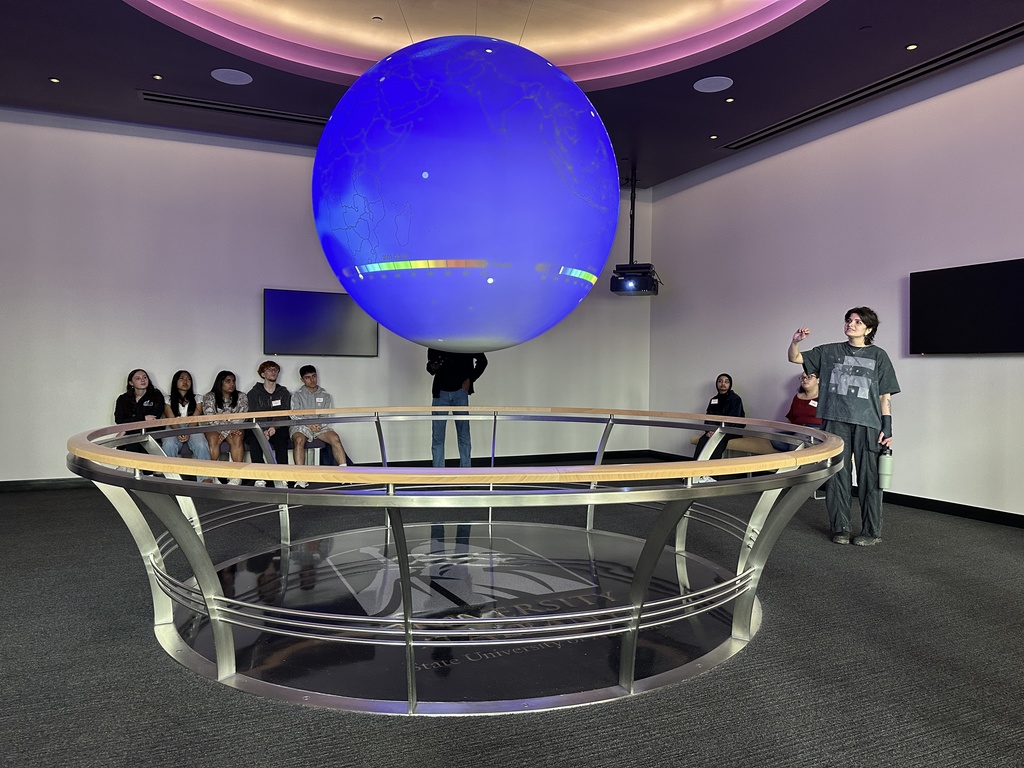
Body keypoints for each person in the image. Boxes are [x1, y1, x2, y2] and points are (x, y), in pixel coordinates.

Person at [788, 306, 900, 547]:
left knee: (870, 479)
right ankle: (841, 528)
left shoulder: (879, 356)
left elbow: (885, 395)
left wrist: (887, 426)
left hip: (868, 423)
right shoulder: (829, 351)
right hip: (834, 421)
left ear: (868, 329)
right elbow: (795, 358)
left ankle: (871, 531)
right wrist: (795, 341)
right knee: (838, 477)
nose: (851, 324)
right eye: (849, 320)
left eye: (858, 322)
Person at [426, 349, 488, 467]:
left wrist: (470, 379)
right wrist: (433, 366)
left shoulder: (465, 339)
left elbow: (483, 361)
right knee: (438, 436)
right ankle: (439, 475)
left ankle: (465, 474)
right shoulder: (436, 338)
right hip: (441, 392)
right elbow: (430, 366)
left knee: (463, 435)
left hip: (460, 392)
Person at [289, 365, 348, 487]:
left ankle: (344, 474)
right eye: (308, 377)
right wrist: (309, 424)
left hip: (320, 426)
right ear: (302, 379)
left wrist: (318, 425)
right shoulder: (297, 395)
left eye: (314, 376)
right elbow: (294, 415)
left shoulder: (325, 395)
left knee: (335, 438)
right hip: (302, 425)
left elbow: (328, 415)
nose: (312, 380)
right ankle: (301, 477)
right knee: (299, 440)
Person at [245, 360, 291, 487]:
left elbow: (284, 413)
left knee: (281, 440)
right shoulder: (253, 393)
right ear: (262, 374)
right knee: (255, 439)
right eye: (270, 369)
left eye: (275, 370)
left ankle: (282, 476)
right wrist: (263, 430)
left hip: (278, 427)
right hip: (258, 427)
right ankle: (259, 476)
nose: (273, 372)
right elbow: (254, 413)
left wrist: (273, 428)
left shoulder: (284, 392)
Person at [160, 370, 213, 480]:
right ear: (175, 381)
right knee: (168, 445)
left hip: (192, 426)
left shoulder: (198, 398)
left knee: (201, 445)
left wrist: (187, 431)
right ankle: (171, 478)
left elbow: (196, 417)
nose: (185, 381)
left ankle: (206, 479)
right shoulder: (167, 399)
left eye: (188, 379)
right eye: (182, 378)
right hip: (173, 426)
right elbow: (170, 418)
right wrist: (179, 430)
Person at [201, 370, 248, 482]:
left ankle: (236, 476)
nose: (232, 384)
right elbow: (210, 417)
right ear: (220, 382)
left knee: (237, 437)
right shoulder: (209, 397)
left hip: (235, 428)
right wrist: (225, 430)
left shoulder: (241, 396)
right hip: (214, 427)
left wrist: (227, 430)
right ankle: (213, 475)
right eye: (228, 381)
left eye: (233, 381)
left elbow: (242, 416)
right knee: (213, 438)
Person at [692, 373, 745, 462]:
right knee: (703, 439)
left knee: (717, 441)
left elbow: (734, 419)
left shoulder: (735, 399)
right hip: (714, 430)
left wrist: (718, 431)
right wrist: (709, 430)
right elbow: (709, 417)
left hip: (731, 430)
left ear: (730, 384)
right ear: (717, 384)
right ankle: (694, 470)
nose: (723, 384)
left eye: (726, 382)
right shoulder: (714, 399)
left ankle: (711, 472)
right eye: (720, 381)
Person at [113, 369, 165, 453]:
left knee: (138, 445)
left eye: (145, 377)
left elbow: (153, 419)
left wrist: (126, 428)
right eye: (138, 378)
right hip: (130, 435)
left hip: (150, 433)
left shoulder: (156, 396)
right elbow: (119, 420)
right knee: (129, 446)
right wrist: (143, 418)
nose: (143, 380)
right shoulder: (123, 399)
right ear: (131, 383)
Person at [769, 371, 823, 451]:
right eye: (802, 378)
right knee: (775, 438)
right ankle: (802, 450)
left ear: (818, 380)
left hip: (815, 430)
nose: (804, 380)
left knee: (796, 442)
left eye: (809, 377)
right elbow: (791, 418)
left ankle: (796, 453)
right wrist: (788, 429)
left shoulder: (824, 397)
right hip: (798, 429)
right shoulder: (798, 397)